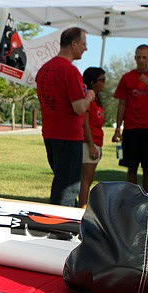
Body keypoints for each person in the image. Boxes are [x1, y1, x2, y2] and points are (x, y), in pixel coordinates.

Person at [35, 27, 95, 207]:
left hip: (50, 134)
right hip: (69, 136)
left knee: (61, 181)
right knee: (67, 188)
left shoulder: (44, 69)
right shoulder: (70, 71)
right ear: (74, 44)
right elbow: (79, 107)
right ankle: (61, 229)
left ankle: (60, 223)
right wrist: (90, 96)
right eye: (84, 44)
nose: (86, 48)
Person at [112, 44, 148, 194]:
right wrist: (118, 128)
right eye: (138, 57)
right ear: (135, 58)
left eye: (144, 57)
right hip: (131, 129)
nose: (141, 60)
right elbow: (122, 104)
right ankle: (130, 198)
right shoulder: (127, 77)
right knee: (131, 168)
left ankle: (147, 200)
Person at [79, 66, 106, 208]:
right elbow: (85, 123)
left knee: (89, 178)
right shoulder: (87, 99)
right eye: (102, 80)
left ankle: (83, 205)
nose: (104, 82)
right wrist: (91, 145)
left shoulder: (97, 100)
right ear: (92, 82)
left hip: (97, 142)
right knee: (86, 179)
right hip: (88, 144)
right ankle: (82, 207)